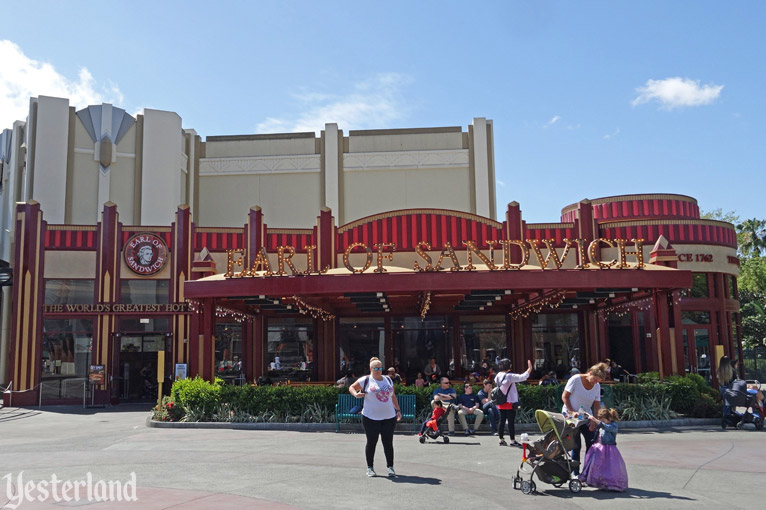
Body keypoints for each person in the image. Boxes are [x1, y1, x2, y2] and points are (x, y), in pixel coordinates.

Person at [349, 357, 402, 477]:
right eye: (375, 368)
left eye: (380, 368)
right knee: (372, 442)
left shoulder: (388, 379)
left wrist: (397, 410)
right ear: (370, 369)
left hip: (389, 417)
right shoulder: (366, 380)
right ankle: (370, 467)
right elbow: (352, 387)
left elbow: (392, 396)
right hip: (370, 417)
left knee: (388, 442)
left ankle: (390, 467)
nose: (378, 370)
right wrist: (356, 394)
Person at [562, 362, 607, 474]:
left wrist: (594, 421)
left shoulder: (597, 386)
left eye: (598, 381)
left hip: (586, 415)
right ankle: (575, 473)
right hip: (571, 415)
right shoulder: (576, 379)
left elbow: (596, 405)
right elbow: (565, 396)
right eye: (595, 379)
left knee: (592, 442)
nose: (596, 383)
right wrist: (572, 411)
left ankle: (588, 471)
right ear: (590, 373)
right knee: (576, 444)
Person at [580, 408, 628, 491]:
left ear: (609, 418)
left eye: (603, 420)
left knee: (609, 466)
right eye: (601, 420)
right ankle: (599, 481)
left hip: (609, 448)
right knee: (596, 465)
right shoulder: (602, 424)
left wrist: (597, 421)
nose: (602, 422)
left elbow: (607, 427)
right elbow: (598, 430)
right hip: (599, 446)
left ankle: (611, 483)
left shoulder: (613, 425)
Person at [495, 358, 532, 447]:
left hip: (501, 401)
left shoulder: (498, 375)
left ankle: (501, 439)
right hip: (510, 401)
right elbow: (523, 377)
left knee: (502, 421)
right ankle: (512, 440)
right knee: (511, 422)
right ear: (509, 366)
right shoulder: (509, 376)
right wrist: (529, 368)